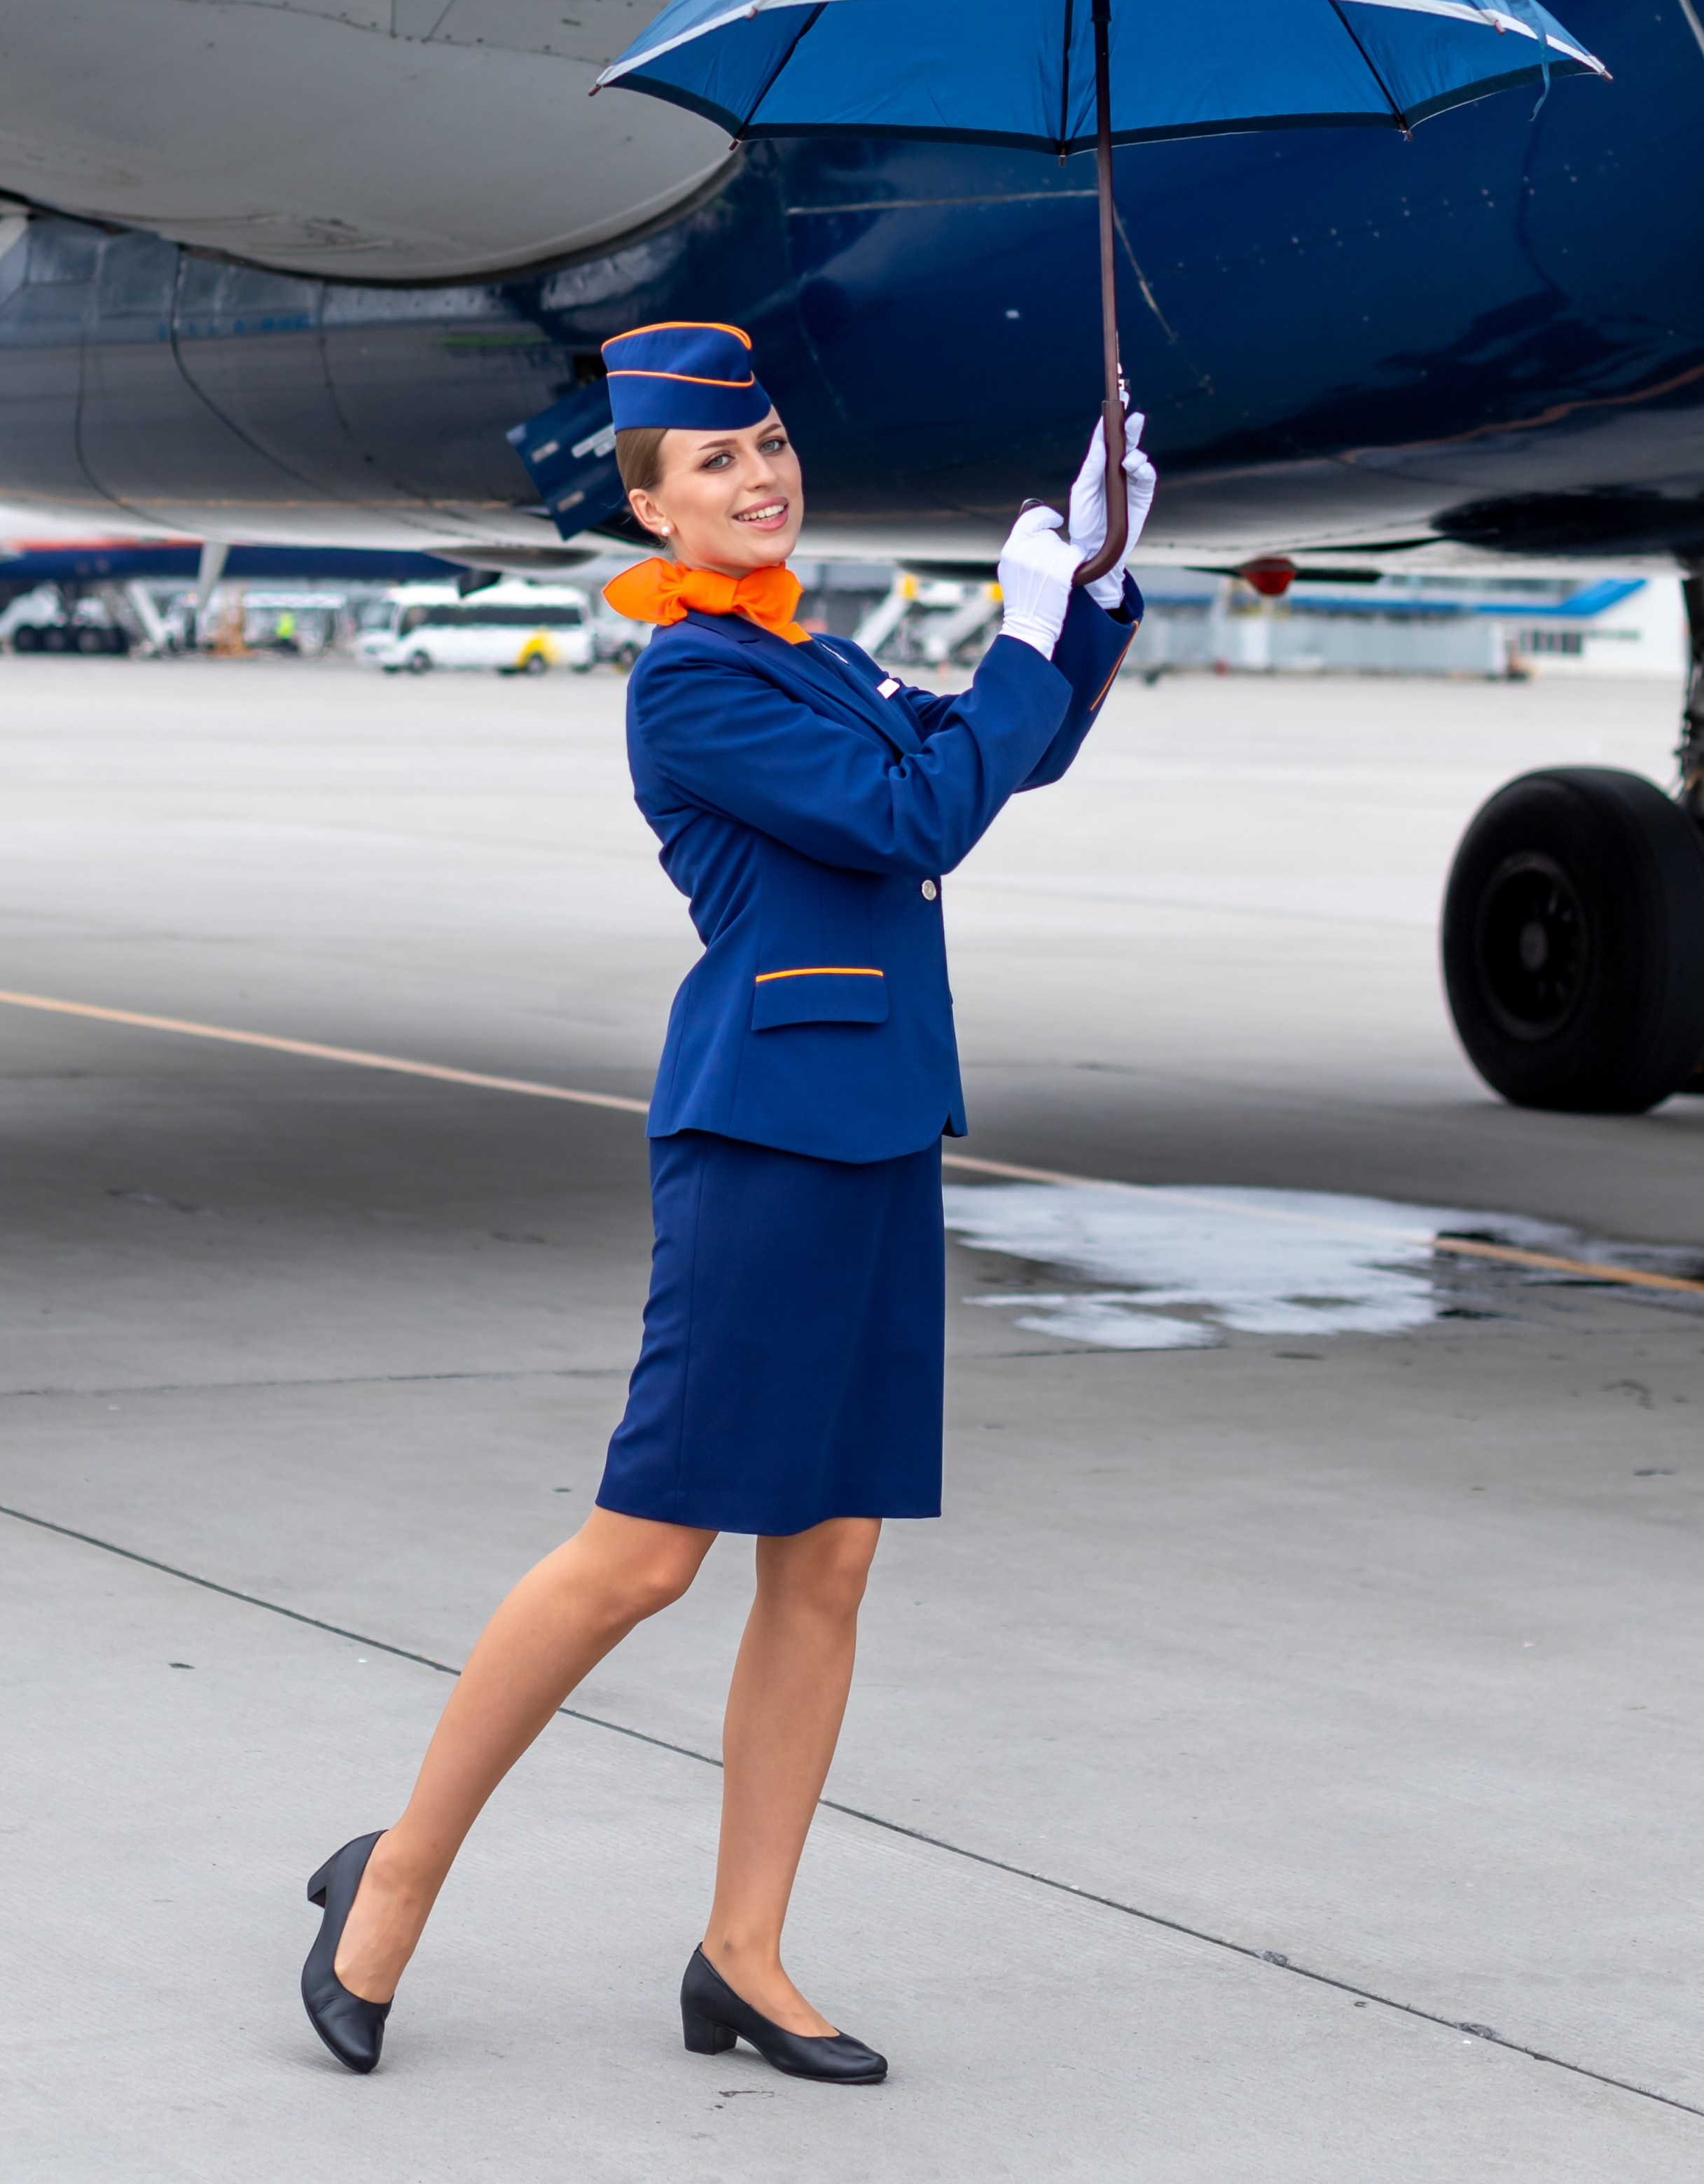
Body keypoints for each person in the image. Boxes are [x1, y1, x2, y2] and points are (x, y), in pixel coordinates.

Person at [300, 319, 1155, 2085]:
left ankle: (742, 1954)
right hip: (761, 1145)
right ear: (651, 506)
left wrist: (1093, 586)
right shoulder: (690, 684)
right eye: (715, 462)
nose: (758, 476)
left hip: (875, 1132)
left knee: (826, 1560)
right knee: (641, 1556)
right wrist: (1015, 626)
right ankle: (388, 1881)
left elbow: (1012, 756)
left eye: (768, 444)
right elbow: (920, 812)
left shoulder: (813, 661)